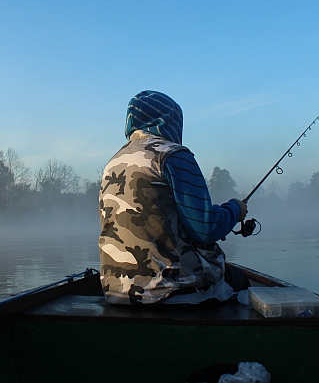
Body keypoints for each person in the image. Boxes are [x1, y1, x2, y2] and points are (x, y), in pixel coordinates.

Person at [98, 90, 249, 305]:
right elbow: (207, 228)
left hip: (118, 293)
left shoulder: (113, 163)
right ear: (170, 120)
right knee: (239, 280)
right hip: (172, 291)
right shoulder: (173, 155)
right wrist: (236, 209)